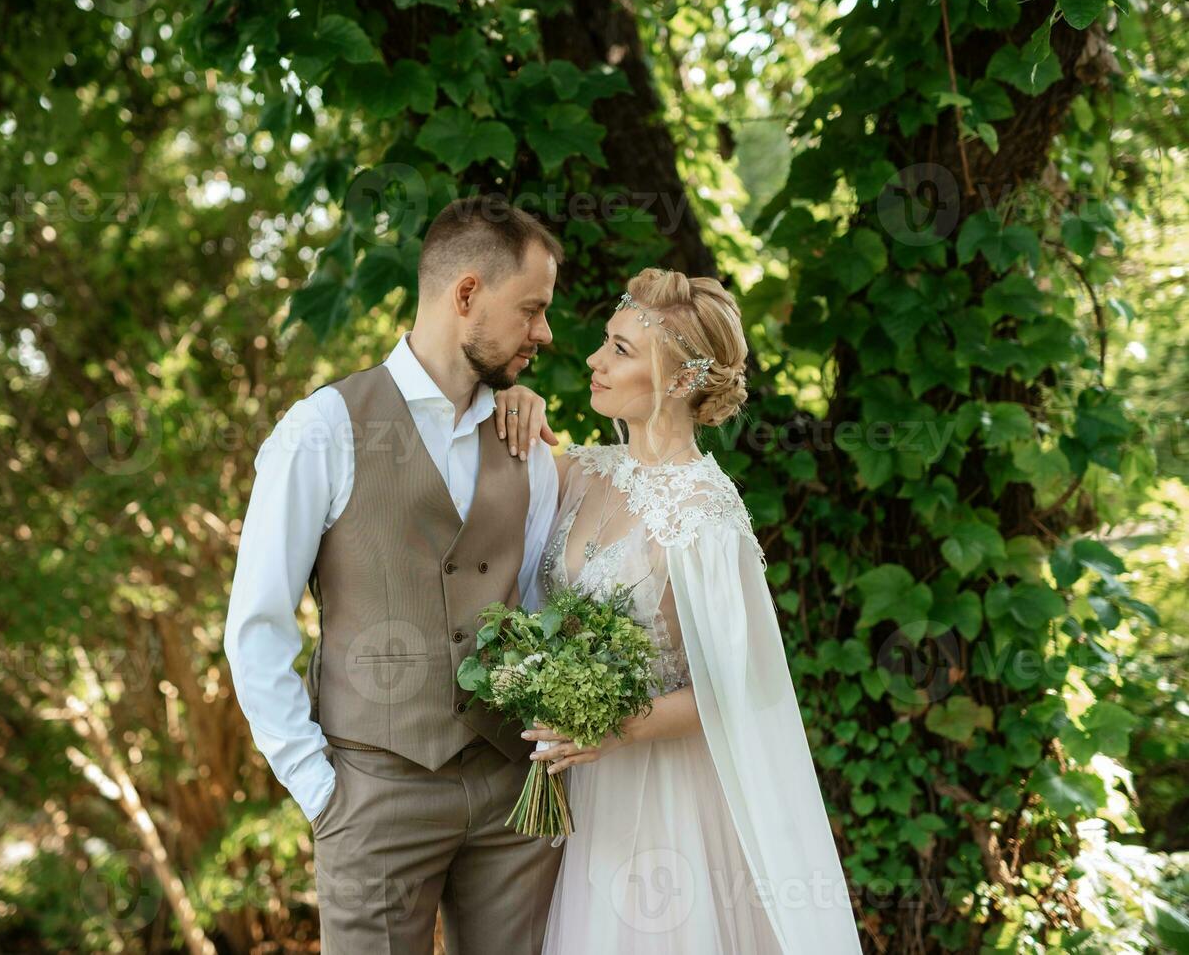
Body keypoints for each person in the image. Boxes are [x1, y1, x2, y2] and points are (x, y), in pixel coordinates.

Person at [225, 195, 565, 954]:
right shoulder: (321, 430)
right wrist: (322, 793)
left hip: (512, 796)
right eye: (532, 308)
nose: (544, 331)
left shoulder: (527, 441)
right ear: (467, 293)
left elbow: (544, 603)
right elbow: (257, 626)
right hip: (374, 795)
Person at [494, 268, 863, 954]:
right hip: (586, 793)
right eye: (605, 343)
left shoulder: (708, 517)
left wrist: (612, 725)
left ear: (684, 381)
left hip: (663, 794)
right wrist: (516, 399)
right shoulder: (583, 470)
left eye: (622, 351)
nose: (595, 362)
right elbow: (502, 460)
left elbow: (739, 690)